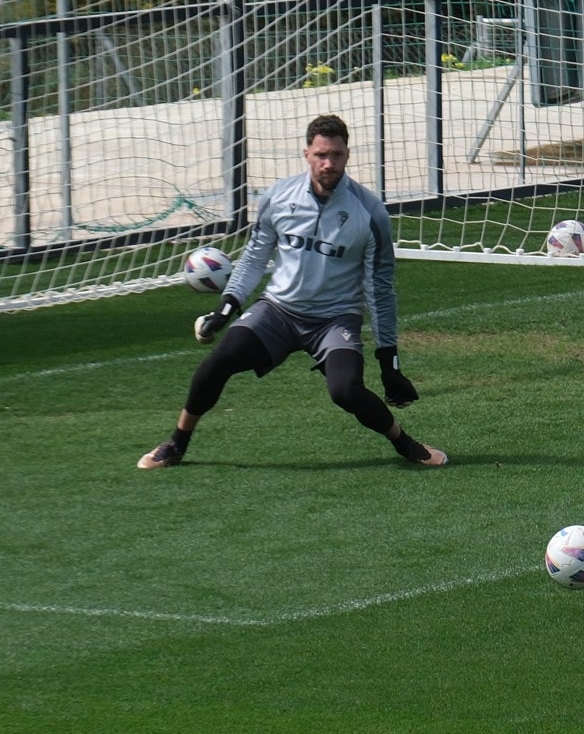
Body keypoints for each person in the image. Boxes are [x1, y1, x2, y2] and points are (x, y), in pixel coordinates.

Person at [138, 114, 447, 469]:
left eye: (336, 155)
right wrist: (226, 308)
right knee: (217, 363)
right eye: (320, 155)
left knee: (345, 391)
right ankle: (176, 444)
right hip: (278, 311)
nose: (328, 163)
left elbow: (380, 287)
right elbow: (254, 258)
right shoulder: (278, 197)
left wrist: (389, 362)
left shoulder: (369, 212)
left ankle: (406, 444)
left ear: (348, 155)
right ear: (306, 154)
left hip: (334, 319)